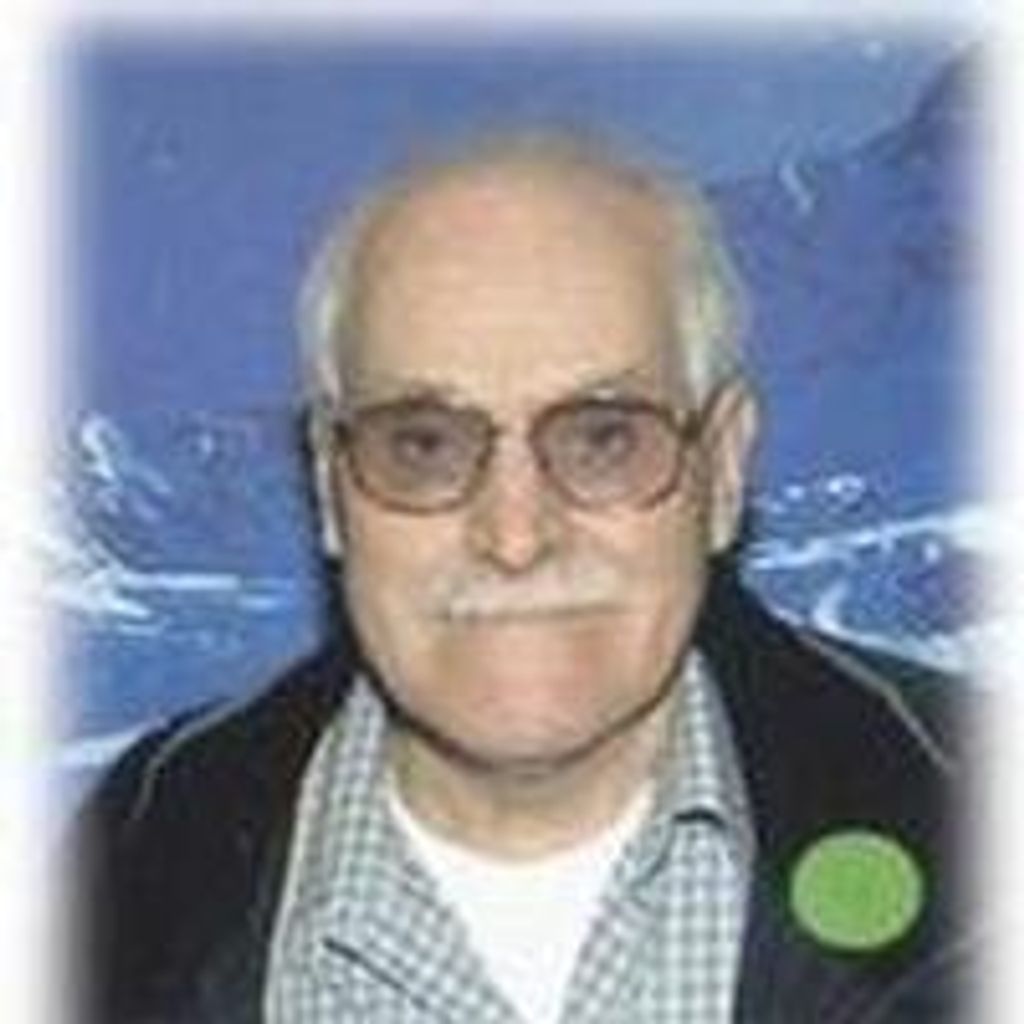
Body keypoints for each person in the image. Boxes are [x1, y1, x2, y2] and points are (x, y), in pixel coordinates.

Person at [76, 135, 966, 1023]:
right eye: (423, 444)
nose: (514, 536)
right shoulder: (124, 879)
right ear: (326, 482)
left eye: (604, 439)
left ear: (725, 469)